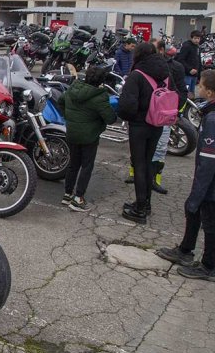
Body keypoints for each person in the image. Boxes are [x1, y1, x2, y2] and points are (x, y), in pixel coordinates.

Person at [156, 70, 215, 281]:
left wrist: (199, 189)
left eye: (201, 85)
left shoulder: (214, 118)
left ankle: (208, 266)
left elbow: (210, 160)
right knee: (193, 211)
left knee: (209, 220)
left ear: (210, 92)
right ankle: (185, 250)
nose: (198, 88)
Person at [118, 42, 169, 224]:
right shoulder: (164, 73)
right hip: (158, 123)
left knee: (138, 164)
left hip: (140, 124)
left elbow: (127, 105)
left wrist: (127, 116)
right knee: (148, 163)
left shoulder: (137, 75)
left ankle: (139, 209)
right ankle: (146, 203)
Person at [57, 66, 118, 212]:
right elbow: (110, 118)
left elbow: (60, 100)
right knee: (86, 166)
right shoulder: (100, 96)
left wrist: (68, 117)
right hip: (90, 135)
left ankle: (67, 194)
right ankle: (78, 198)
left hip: (72, 132)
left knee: (73, 163)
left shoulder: (73, 88)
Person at [147, 39, 189, 194]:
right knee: (141, 149)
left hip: (164, 117)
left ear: (162, 50)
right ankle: (137, 176)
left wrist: (175, 112)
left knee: (160, 149)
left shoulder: (175, 67)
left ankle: (155, 181)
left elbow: (182, 92)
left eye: (154, 49)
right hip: (146, 117)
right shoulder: (142, 66)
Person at [175, 30, 203, 96]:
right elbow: (180, 59)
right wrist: (189, 69)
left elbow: (198, 60)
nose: (197, 40)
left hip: (195, 75)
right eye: (195, 38)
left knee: (192, 93)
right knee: (186, 93)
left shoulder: (197, 47)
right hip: (187, 74)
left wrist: (199, 74)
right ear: (191, 38)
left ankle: (190, 105)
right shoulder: (186, 46)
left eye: (198, 38)